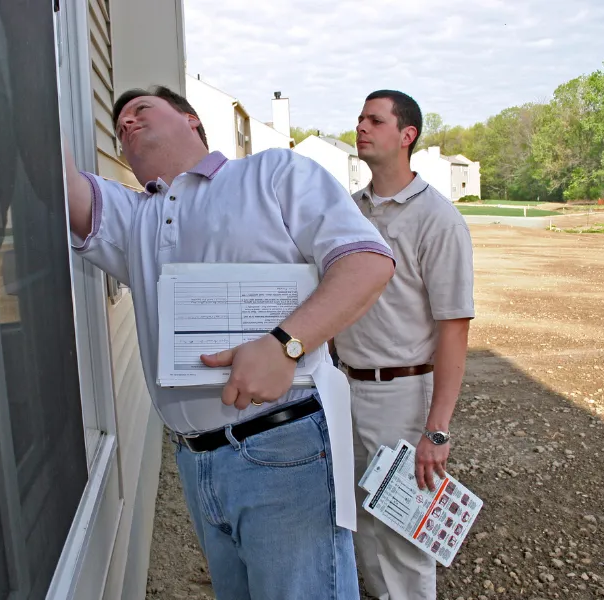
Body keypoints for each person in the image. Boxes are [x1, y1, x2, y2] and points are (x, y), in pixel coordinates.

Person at [64, 85, 395, 599]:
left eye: (140, 110)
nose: (126, 124)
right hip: (196, 461)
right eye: (118, 123)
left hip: (284, 448)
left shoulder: (272, 174)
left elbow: (366, 262)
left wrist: (285, 344)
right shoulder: (136, 218)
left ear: (192, 120)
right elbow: (61, 182)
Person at [332, 90, 475, 600]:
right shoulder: (350, 211)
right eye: (359, 118)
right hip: (345, 386)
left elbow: (454, 327)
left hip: (403, 395)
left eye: (375, 120)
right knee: (361, 523)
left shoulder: (437, 220)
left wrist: (436, 430)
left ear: (407, 135)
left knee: (403, 532)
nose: (361, 127)